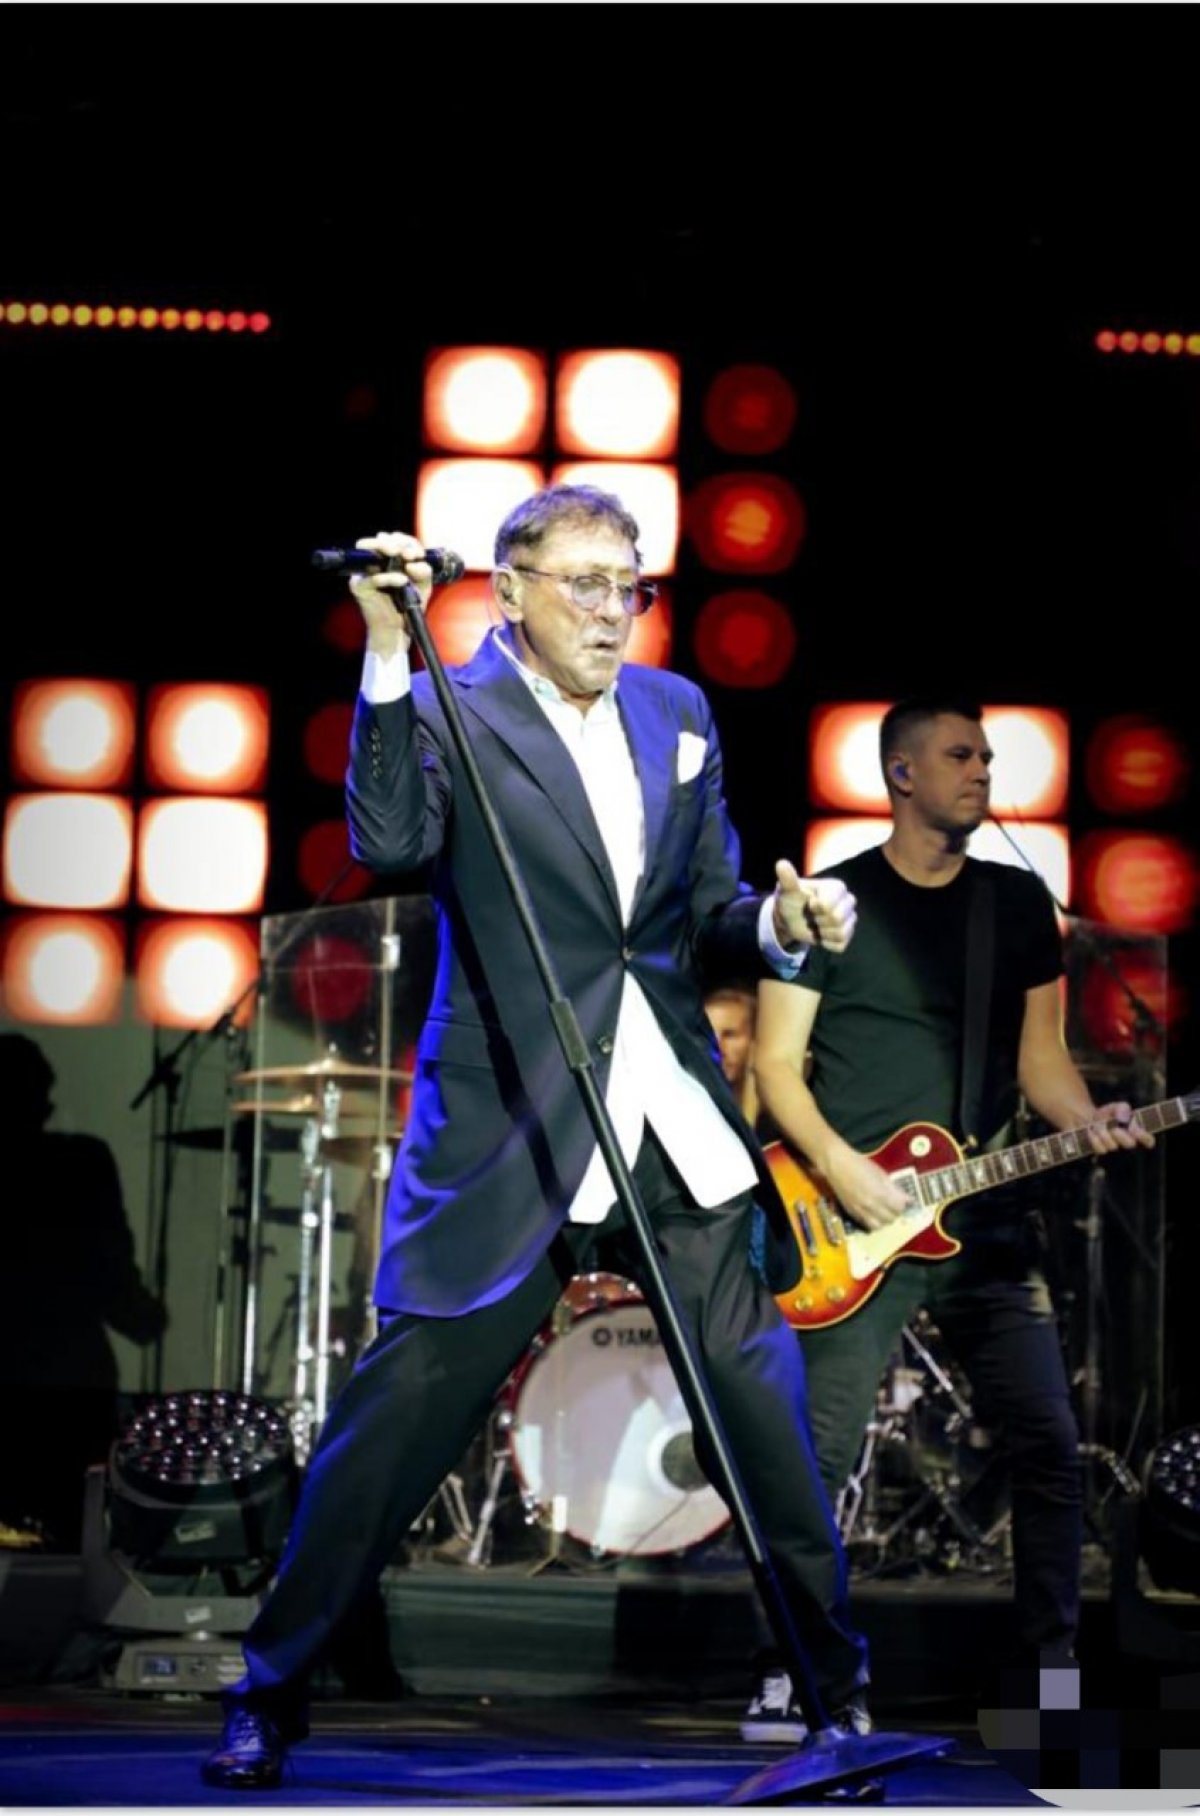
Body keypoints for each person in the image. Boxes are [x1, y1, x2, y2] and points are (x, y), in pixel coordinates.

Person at [202, 483, 870, 1788]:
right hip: (517, 1124)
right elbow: (389, 839)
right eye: (586, 585)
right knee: (398, 1422)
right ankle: (269, 1689)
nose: (615, 612)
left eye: (631, 586)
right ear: (508, 591)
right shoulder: (455, 708)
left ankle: (837, 1699)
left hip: (668, 1123)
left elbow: (702, 913)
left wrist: (780, 927)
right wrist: (387, 649)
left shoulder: (677, 714)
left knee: (760, 1413)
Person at [749, 694, 1153, 1735]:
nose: (982, 771)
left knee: (1048, 1443)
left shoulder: (1015, 904)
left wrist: (1091, 1120)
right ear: (901, 773)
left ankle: (1048, 1683)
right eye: (961, 754)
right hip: (847, 1220)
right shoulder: (828, 904)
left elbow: (1042, 1062)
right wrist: (841, 1170)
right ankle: (795, 1669)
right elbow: (776, 1067)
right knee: (814, 1458)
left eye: (987, 757)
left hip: (980, 1221)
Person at [0, 1032, 167, 1551]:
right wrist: (146, 1318)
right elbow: (110, 1273)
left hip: (44, 1383)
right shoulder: (80, 1163)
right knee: (74, 1543)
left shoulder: (79, 1163)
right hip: (69, 1386)